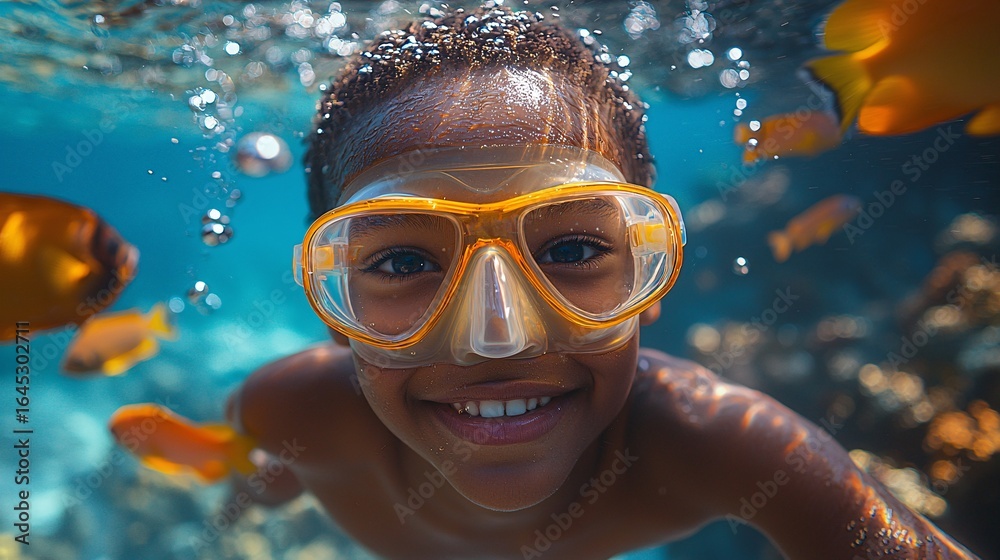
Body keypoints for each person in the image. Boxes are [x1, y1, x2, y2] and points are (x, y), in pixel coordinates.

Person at [224, 5, 979, 559]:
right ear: (332, 307)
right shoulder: (283, 410)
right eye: (402, 263)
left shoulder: (731, 449)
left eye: (574, 250)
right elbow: (254, 480)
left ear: (652, 278)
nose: (498, 338)